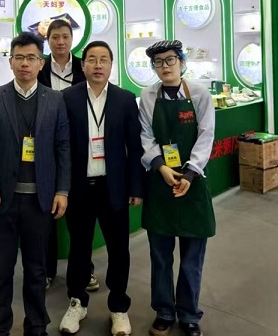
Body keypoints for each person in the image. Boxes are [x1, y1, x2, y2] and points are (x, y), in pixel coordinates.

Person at [0, 31, 71, 336]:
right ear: (11, 61)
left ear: (41, 63)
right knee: (0, 271)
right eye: (19, 58)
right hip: (2, 199)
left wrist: (62, 190)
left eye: (31, 58)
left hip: (40, 201)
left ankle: (37, 326)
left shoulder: (55, 100)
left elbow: (63, 146)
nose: (25, 64)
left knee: (36, 270)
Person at [59, 41, 143, 336]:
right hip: (80, 187)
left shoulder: (125, 99)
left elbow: (135, 146)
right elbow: (61, 146)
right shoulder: (67, 98)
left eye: (103, 60)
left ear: (110, 65)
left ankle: (118, 307)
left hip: (113, 187)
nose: (97, 65)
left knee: (119, 249)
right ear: (82, 66)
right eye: (91, 60)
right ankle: (77, 302)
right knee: (79, 248)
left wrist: (136, 187)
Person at [138, 40, 216, 336]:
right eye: (158, 62)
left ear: (182, 62)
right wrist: (161, 166)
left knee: (192, 257)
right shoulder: (148, 96)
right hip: (160, 183)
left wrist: (190, 173)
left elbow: (206, 134)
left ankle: (188, 313)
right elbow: (145, 136)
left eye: (170, 60)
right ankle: (164, 311)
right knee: (160, 256)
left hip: (192, 184)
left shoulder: (199, 93)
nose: (165, 66)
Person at [37, 19, 99, 292]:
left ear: (72, 39)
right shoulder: (39, 67)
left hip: (80, 146)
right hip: (46, 147)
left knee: (80, 217)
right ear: (48, 40)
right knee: (46, 214)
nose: (60, 42)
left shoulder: (84, 67)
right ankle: (46, 270)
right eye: (55, 37)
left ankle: (85, 271)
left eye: (65, 36)